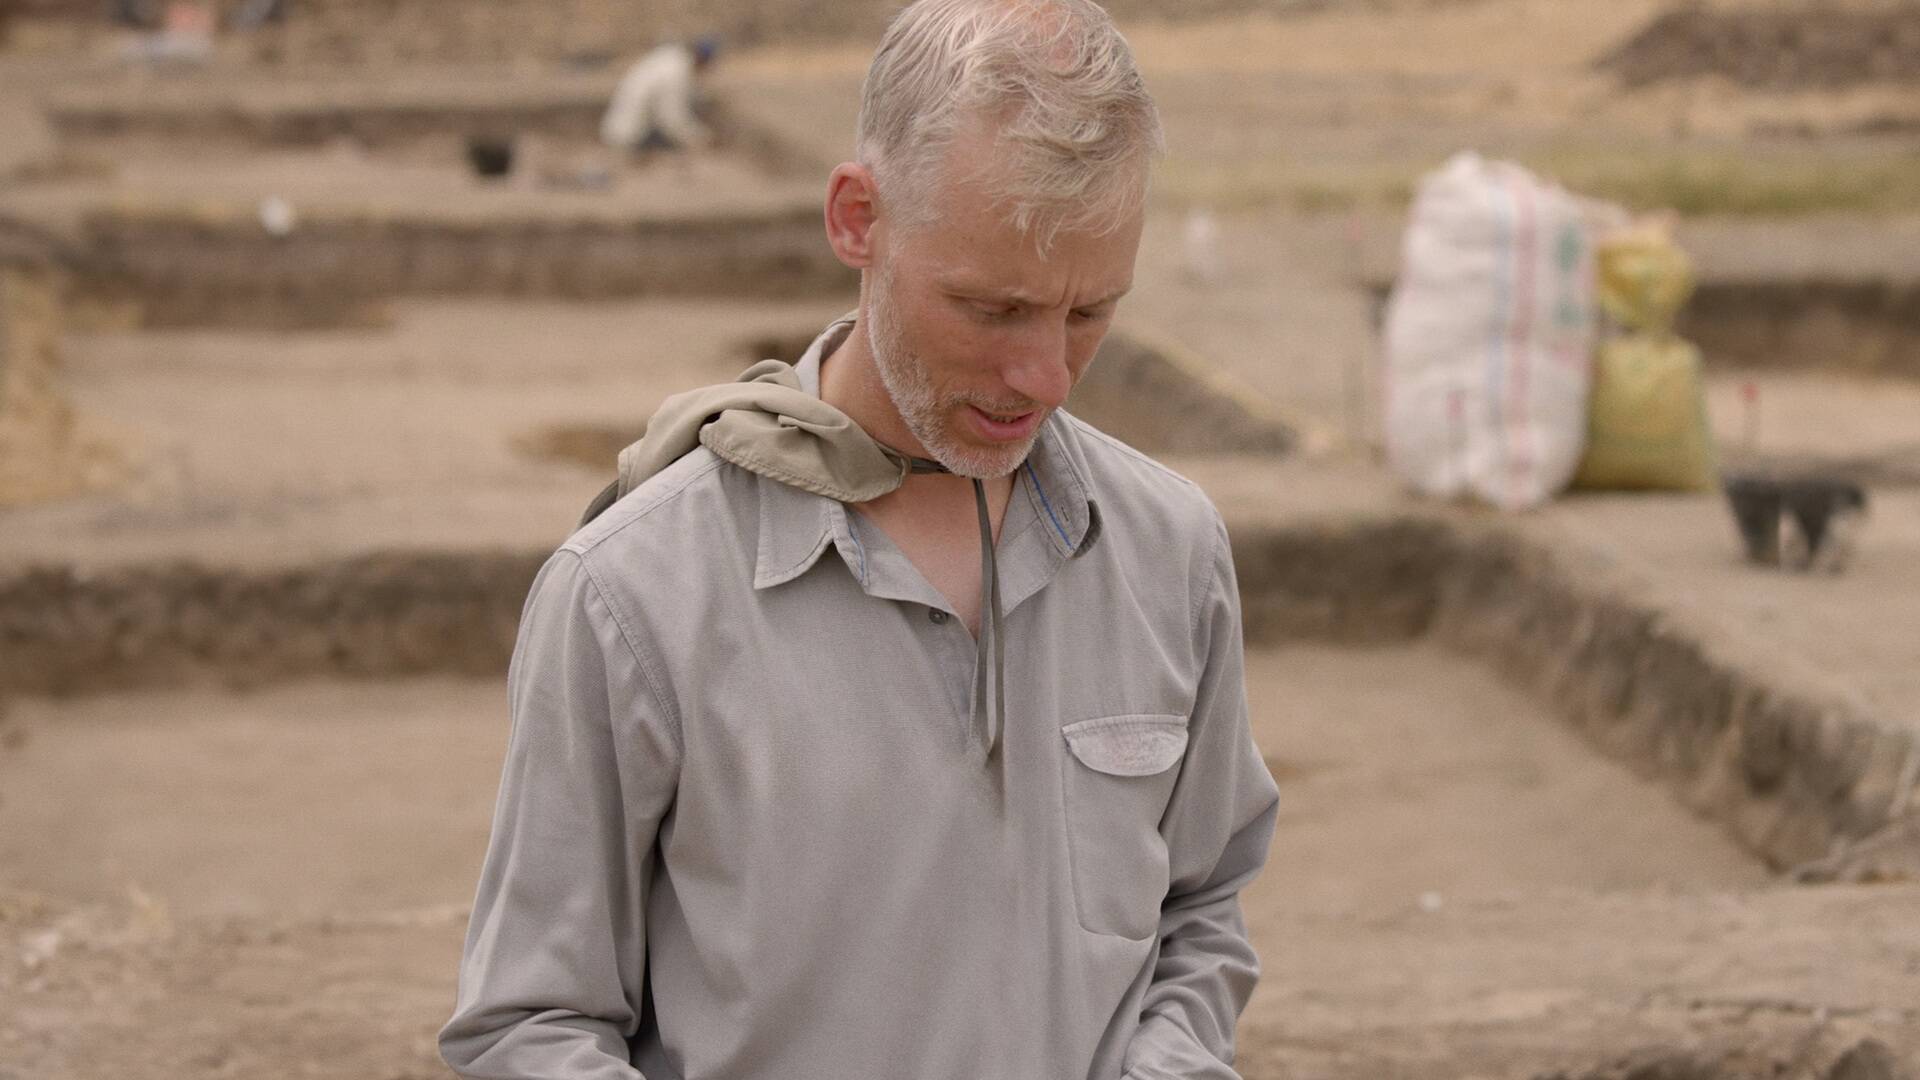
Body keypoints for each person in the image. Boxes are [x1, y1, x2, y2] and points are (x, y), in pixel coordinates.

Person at [441, 1, 1280, 1077]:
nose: (1047, 377)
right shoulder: (633, 595)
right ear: (857, 218)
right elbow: (529, 1025)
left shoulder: (1171, 553)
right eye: (992, 308)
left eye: (1088, 314)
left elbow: (1199, 910)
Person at [600, 36, 720, 155]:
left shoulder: (671, 57)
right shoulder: (675, 73)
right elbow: (671, 118)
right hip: (630, 137)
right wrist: (698, 139)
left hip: (619, 127)